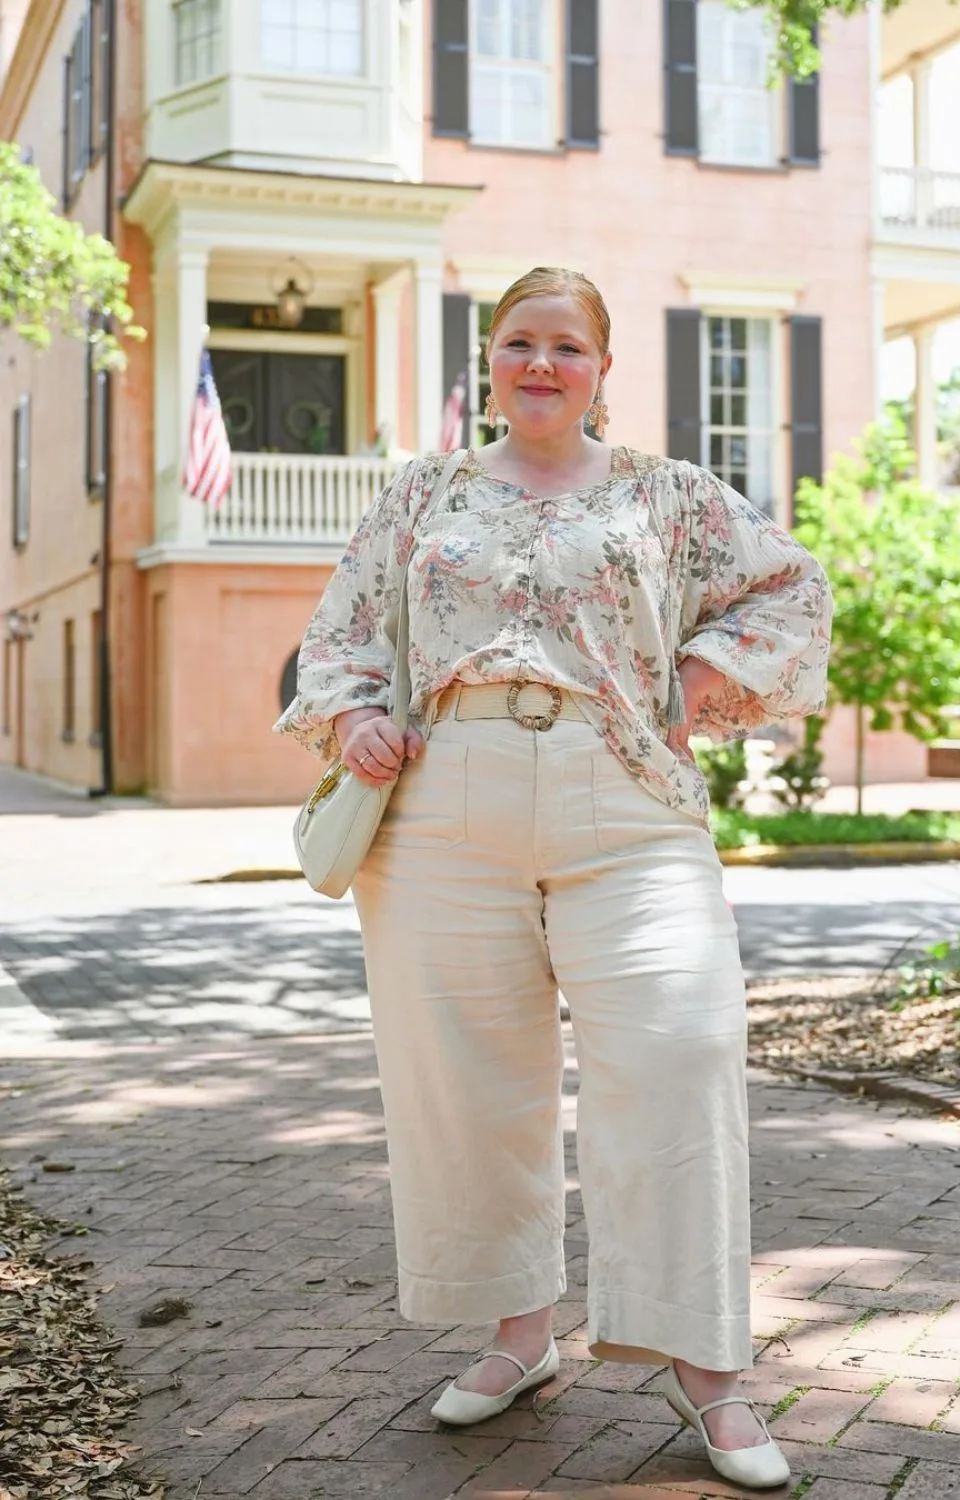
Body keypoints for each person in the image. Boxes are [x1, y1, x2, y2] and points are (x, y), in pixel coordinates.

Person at [275, 267, 832, 1490]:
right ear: (491, 361)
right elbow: (338, 637)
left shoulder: (667, 495)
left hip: (622, 798)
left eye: (565, 346)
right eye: (518, 343)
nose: (540, 364)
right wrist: (356, 716)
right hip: (439, 808)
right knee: (467, 1086)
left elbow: (791, 588)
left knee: (681, 1052)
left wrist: (698, 683)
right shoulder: (421, 494)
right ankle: (519, 1334)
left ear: (601, 366)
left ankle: (709, 1371)